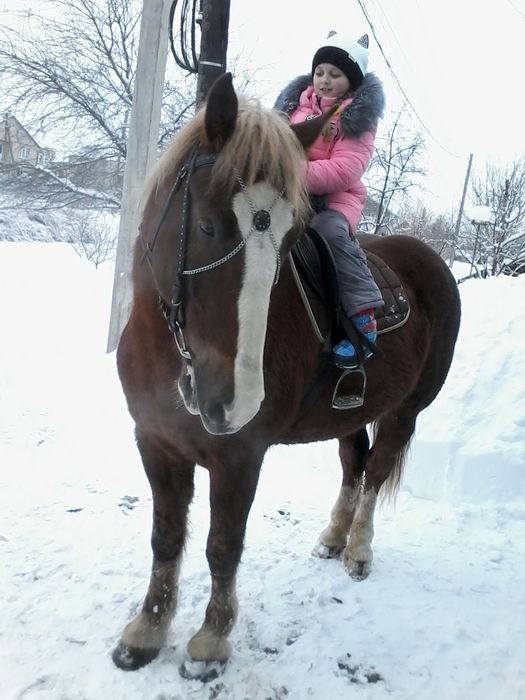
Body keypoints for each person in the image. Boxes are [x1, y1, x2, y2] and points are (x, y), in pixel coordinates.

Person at [274, 32, 386, 368]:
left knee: (330, 234)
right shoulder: (291, 110)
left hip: (334, 201)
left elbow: (346, 169)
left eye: (335, 74)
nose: (325, 80)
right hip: (287, 197)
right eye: (320, 71)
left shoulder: (355, 117)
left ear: (350, 81)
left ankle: (361, 316)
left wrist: (291, 174)